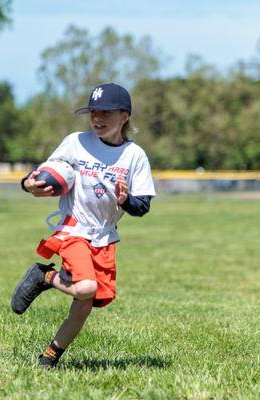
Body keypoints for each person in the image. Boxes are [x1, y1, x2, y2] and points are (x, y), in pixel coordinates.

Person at [11, 83, 156, 368]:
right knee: (86, 287)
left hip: (103, 236)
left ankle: (49, 358)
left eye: (105, 112)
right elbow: (45, 171)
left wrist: (125, 200)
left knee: (84, 306)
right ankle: (44, 277)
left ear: (124, 116)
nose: (97, 118)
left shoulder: (134, 156)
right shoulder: (76, 142)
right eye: (93, 112)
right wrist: (27, 183)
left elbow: (143, 206)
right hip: (73, 228)